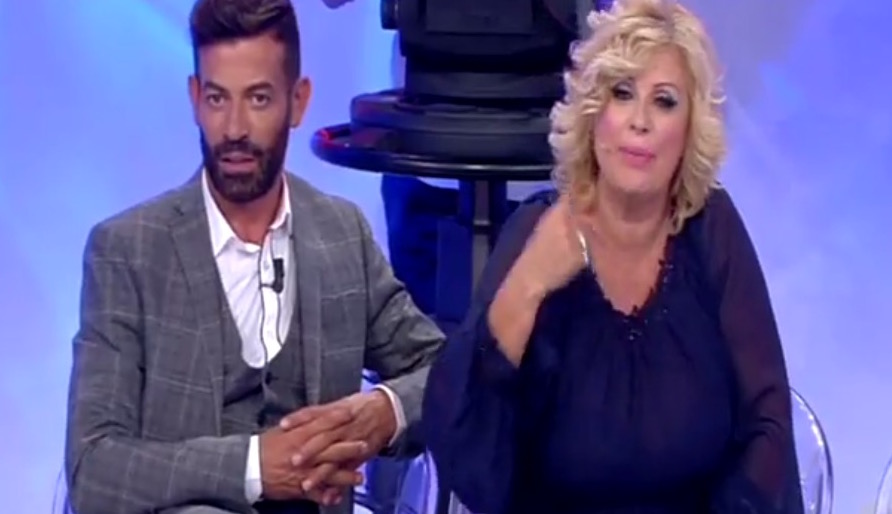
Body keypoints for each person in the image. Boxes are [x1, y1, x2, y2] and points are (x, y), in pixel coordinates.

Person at [422, 1, 804, 513]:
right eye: (622, 93)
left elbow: (767, 420)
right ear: (592, 112)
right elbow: (469, 455)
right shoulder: (537, 231)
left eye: (664, 101)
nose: (639, 122)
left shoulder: (711, 228)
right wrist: (529, 283)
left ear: (690, 129)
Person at [64, 1, 443, 514]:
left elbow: (446, 373)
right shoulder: (128, 252)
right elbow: (94, 467)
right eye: (217, 98)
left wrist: (385, 411)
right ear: (195, 99)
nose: (234, 128)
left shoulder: (341, 234)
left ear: (298, 101)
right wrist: (254, 467)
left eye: (259, 99)